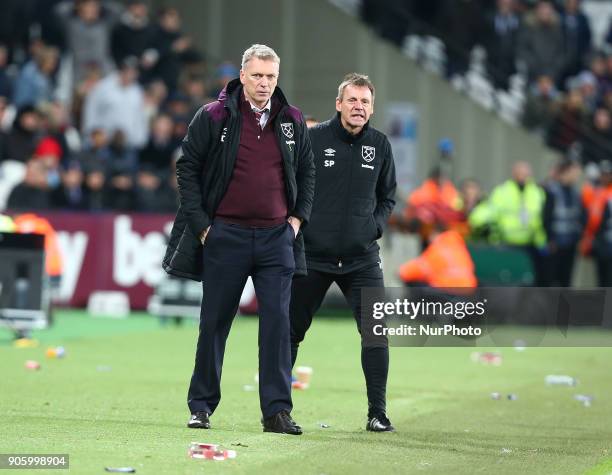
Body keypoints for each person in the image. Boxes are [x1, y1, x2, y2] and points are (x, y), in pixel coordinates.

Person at [162, 44, 315, 435]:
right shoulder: (214, 116)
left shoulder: (292, 120)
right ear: (243, 76)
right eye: (258, 75)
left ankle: (277, 412)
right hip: (224, 235)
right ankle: (201, 407)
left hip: (276, 238)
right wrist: (202, 227)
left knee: (278, 326)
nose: (264, 83)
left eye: (271, 77)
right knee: (213, 323)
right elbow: (188, 170)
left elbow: (308, 173)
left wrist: (297, 220)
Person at [289, 73, 397, 432]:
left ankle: (377, 413)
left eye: (365, 102)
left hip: (361, 258)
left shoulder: (380, 146)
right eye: (352, 100)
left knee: (376, 332)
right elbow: (291, 184)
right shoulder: (314, 138)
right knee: (290, 332)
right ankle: (278, 411)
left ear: (372, 108)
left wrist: (373, 227)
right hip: (313, 255)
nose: (358, 107)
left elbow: (388, 197)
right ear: (338, 104)